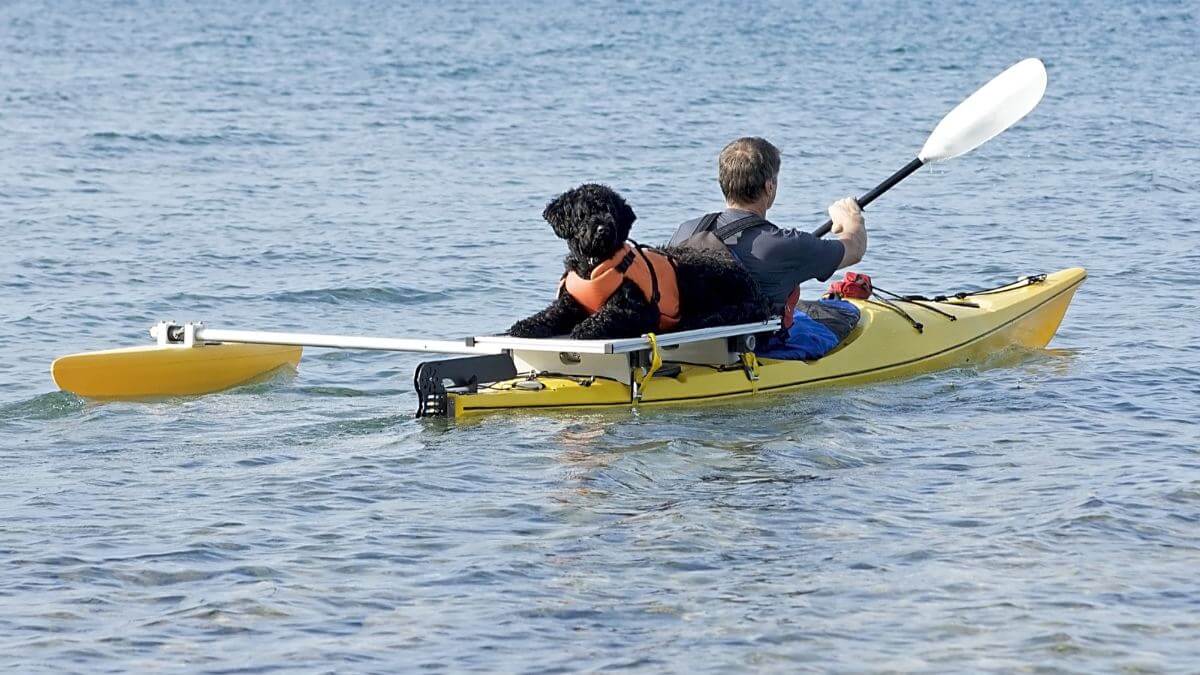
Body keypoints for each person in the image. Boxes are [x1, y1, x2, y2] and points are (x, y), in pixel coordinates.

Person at [668, 136, 869, 359]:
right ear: (769, 186)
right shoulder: (786, 244)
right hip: (757, 347)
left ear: (723, 183)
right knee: (844, 313)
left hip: (690, 346)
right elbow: (855, 248)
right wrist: (851, 217)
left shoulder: (686, 231)